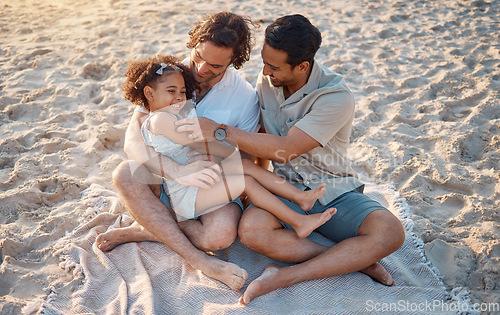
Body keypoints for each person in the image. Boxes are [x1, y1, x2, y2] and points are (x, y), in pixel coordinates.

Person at [176, 14, 406, 304]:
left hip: (331, 188)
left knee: (390, 233)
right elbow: (259, 134)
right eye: (263, 61)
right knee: (251, 232)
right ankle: (353, 260)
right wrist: (251, 183)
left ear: (302, 66)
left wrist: (219, 131)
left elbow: (286, 149)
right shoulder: (267, 81)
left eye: (273, 67)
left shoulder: (335, 97)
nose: (264, 71)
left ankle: (284, 276)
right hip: (281, 186)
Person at [95, 12, 260, 292]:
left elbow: (246, 158)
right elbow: (133, 140)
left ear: (234, 61)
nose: (201, 69)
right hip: (164, 176)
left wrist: (215, 155)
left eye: (215, 65)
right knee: (123, 173)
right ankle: (200, 261)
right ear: (194, 43)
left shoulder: (244, 97)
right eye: (198, 56)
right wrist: (177, 171)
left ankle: (150, 229)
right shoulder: (167, 73)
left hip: (208, 184)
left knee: (219, 237)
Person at [122, 55, 337, 238]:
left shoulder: (175, 113)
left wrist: (227, 151)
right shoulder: (160, 120)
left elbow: (203, 144)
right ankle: (299, 221)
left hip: (201, 176)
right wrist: (225, 147)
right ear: (149, 94)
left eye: (182, 91)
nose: (179, 97)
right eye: (171, 91)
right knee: (246, 182)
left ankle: (300, 198)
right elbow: (197, 143)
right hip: (187, 191)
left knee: (247, 168)